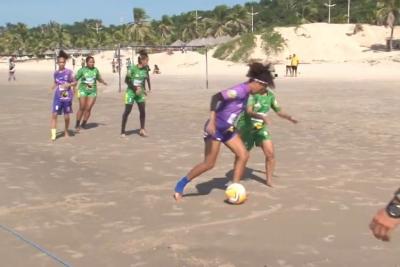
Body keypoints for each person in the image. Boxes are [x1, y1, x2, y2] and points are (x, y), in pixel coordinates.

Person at [173, 62, 275, 202]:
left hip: (228, 129)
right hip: (215, 129)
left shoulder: (248, 94)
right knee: (209, 163)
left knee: (243, 155)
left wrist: (259, 116)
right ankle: (180, 185)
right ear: (257, 82)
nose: (263, 90)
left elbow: (241, 111)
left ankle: (235, 187)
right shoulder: (240, 90)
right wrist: (212, 121)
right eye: (264, 86)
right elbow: (216, 97)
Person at [236, 87, 298, 187]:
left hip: (260, 128)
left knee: (270, 154)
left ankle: (269, 180)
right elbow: (249, 111)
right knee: (242, 155)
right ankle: (236, 179)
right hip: (247, 128)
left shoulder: (270, 95)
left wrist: (289, 117)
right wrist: (261, 117)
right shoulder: (252, 94)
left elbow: (279, 111)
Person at [121, 50, 150, 137]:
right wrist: (135, 88)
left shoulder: (146, 69)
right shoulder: (132, 68)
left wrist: (144, 89)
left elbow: (144, 80)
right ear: (141, 60)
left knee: (142, 111)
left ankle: (142, 129)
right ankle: (123, 131)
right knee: (127, 111)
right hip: (131, 92)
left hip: (139, 93)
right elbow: (126, 80)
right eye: (146, 60)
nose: (147, 62)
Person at [75, 56, 107, 131]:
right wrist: (72, 86)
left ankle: (83, 124)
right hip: (82, 90)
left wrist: (103, 82)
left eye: (93, 62)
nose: (92, 63)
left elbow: (98, 78)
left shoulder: (95, 70)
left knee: (88, 108)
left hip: (92, 91)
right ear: (87, 62)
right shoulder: (82, 70)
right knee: (82, 107)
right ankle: (77, 124)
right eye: (90, 62)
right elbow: (75, 78)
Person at [50, 50, 76, 141]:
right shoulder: (56, 73)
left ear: (65, 62)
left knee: (66, 116)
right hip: (57, 95)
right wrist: (52, 87)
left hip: (66, 95)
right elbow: (55, 82)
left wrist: (69, 85)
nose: (61, 64)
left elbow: (75, 82)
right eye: (60, 62)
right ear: (57, 63)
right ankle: (53, 135)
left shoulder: (69, 72)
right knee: (54, 114)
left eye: (63, 62)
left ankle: (66, 131)